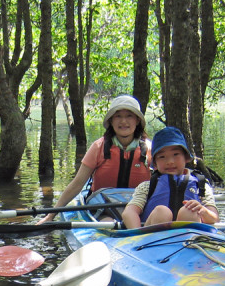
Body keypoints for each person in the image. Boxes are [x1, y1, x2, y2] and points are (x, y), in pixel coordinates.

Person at [38, 95, 151, 224]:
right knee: (109, 223)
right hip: (104, 208)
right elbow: (78, 183)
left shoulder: (149, 149)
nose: (123, 121)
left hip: (138, 206)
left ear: (137, 120)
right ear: (111, 121)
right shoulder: (99, 147)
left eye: (129, 116)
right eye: (118, 116)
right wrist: (51, 216)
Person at [122, 126, 219, 229]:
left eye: (176, 154)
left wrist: (203, 211)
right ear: (155, 163)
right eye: (162, 157)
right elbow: (129, 213)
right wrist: (137, 236)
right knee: (162, 211)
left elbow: (214, 218)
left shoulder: (201, 186)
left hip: (188, 238)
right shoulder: (147, 186)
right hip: (151, 237)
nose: (170, 162)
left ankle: (186, 243)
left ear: (186, 157)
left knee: (189, 211)